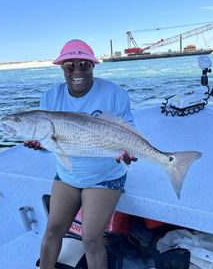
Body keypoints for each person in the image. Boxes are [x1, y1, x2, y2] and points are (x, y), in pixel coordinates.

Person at [24, 39, 137, 269]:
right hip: (68, 174)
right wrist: (43, 145)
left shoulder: (114, 93)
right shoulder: (50, 97)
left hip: (105, 176)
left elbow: (129, 134)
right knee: (53, 230)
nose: (77, 70)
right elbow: (56, 142)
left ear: (93, 66)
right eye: (70, 65)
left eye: (84, 64)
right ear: (62, 68)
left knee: (91, 238)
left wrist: (127, 153)